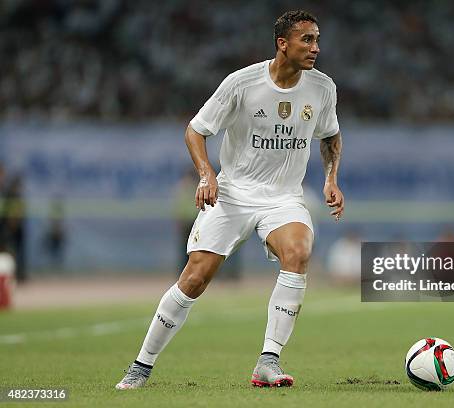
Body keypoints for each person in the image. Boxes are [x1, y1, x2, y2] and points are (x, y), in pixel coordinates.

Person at [116, 10, 344, 390]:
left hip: (283, 198)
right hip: (233, 193)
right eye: (306, 40)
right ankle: (141, 365)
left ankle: (268, 360)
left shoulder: (322, 88)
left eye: (317, 40)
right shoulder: (242, 83)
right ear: (282, 43)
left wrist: (332, 179)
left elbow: (331, 136)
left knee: (299, 252)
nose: (315, 48)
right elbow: (195, 130)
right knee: (195, 278)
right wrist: (207, 175)